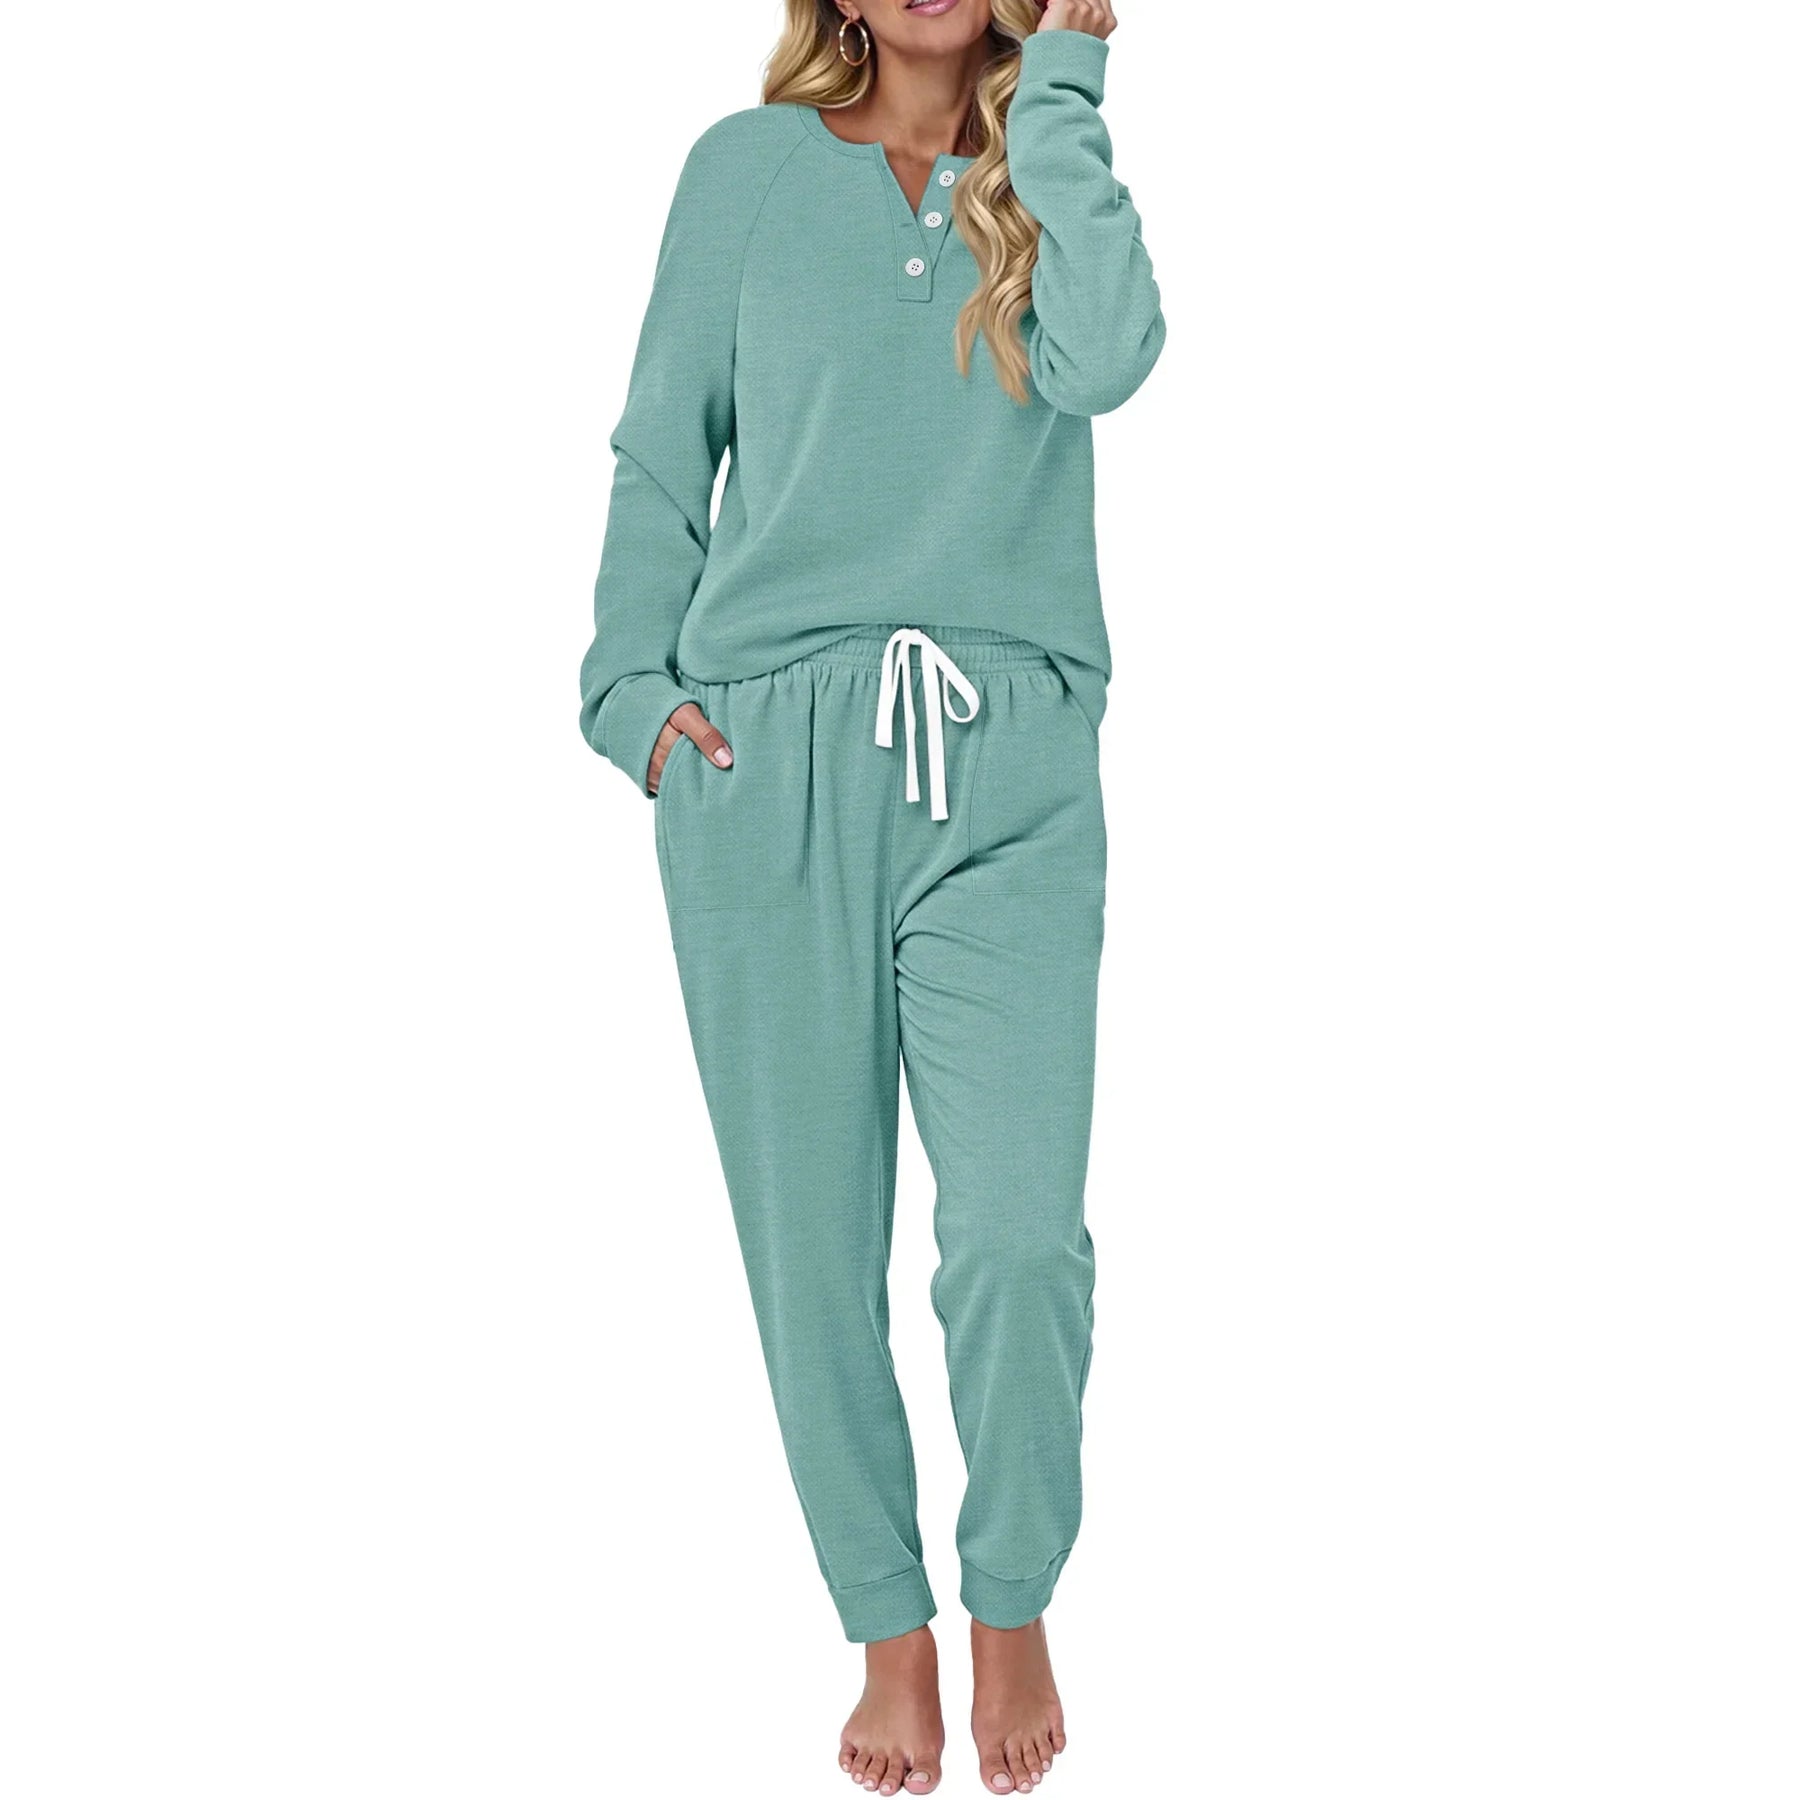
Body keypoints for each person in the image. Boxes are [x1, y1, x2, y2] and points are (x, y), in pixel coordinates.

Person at [577, 0, 1162, 1790]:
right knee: (809, 1253)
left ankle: (1011, 1593)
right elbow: (664, 447)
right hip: (767, 765)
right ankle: (886, 1625)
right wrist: (634, 702)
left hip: (1009, 760)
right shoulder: (744, 174)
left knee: (1018, 1240)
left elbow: (1111, 359)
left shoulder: (1043, 162)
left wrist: (1064, 94)